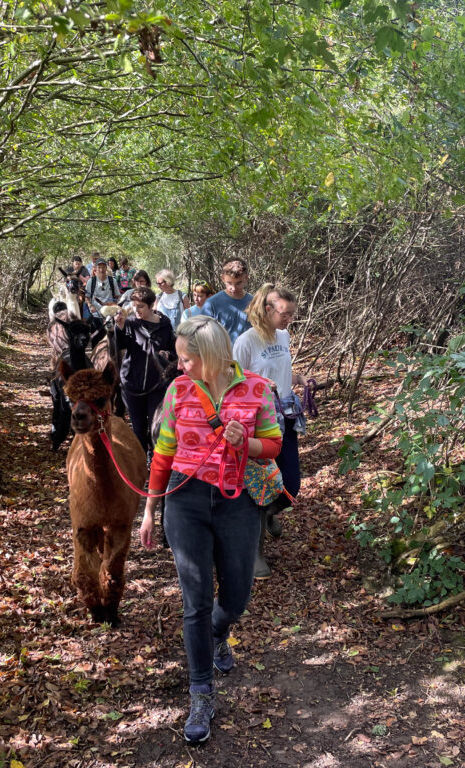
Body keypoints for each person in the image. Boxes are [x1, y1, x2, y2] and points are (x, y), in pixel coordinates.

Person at [140, 315, 282, 745]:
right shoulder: (178, 391)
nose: (181, 366)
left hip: (237, 499)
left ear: (214, 356)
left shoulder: (257, 390)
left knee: (237, 591)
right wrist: (150, 510)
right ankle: (200, 691)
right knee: (195, 599)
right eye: (180, 358)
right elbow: (163, 452)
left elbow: (273, 443)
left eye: (188, 359)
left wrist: (248, 443)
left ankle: (219, 634)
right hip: (185, 499)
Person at [232, 284, 305, 579]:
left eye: (291, 314)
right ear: (268, 310)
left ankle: (271, 513)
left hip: (285, 416)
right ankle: (255, 552)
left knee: (292, 484)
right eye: (284, 314)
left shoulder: (283, 335)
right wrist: (258, 384)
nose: (289, 319)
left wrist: (298, 377)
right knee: (260, 486)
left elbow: (281, 369)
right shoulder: (247, 342)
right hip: (258, 424)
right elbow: (233, 379)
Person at [114, 287, 177, 453]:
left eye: (140, 306)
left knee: (155, 426)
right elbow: (119, 346)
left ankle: (153, 458)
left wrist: (167, 353)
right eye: (134, 306)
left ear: (151, 305)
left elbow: (174, 350)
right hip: (132, 385)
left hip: (157, 385)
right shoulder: (130, 323)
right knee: (138, 429)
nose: (136, 310)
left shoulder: (165, 324)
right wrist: (119, 328)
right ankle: (141, 463)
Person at [203, 258, 252, 344]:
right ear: (222, 278)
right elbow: (203, 336)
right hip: (221, 356)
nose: (233, 288)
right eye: (229, 283)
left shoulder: (254, 302)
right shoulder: (211, 304)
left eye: (238, 283)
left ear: (246, 278)